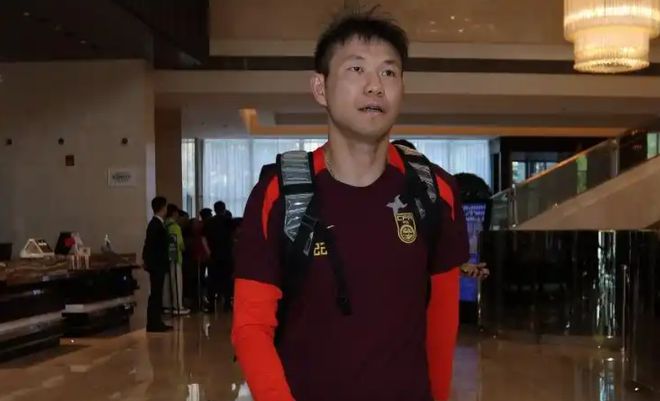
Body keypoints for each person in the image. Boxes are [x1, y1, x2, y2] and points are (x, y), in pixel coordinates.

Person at [232, 9, 469, 401]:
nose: (375, 86)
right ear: (320, 88)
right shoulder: (279, 194)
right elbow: (250, 327)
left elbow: (442, 324)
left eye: (388, 72)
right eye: (356, 69)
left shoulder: (434, 191)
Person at [142, 196, 173, 332]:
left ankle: (155, 321)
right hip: (157, 265)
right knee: (156, 294)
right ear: (162, 208)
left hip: (155, 264)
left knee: (157, 293)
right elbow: (152, 246)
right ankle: (154, 323)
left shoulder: (155, 224)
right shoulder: (156, 225)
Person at [205, 201, 234, 312]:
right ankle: (227, 304)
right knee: (227, 280)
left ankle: (211, 305)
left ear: (215, 209)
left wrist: (208, 251)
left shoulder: (209, 222)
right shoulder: (229, 221)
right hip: (227, 255)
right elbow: (234, 235)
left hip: (213, 255)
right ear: (224, 209)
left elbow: (203, 238)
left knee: (212, 280)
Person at [163, 204, 190, 316]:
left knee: (167, 283)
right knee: (177, 282)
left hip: (166, 258)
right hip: (176, 258)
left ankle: (167, 305)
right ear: (174, 213)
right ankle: (178, 306)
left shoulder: (164, 225)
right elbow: (180, 244)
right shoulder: (175, 227)